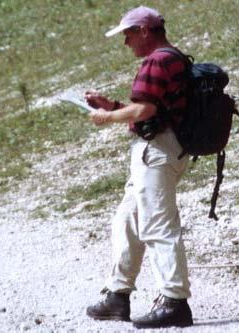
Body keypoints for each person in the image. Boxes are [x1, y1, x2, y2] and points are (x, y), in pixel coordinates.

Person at [85, 6, 194, 329]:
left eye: (128, 35)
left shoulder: (158, 60)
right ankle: (117, 295)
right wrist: (114, 107)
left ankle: (175, 302)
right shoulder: (173, 57)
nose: (126, 43)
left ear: (145, 30)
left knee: (158, 225)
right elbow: (152, 108)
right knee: (128, 219)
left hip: (157, 152)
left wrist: (107, 118)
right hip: (160, 149)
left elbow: (145, 110)